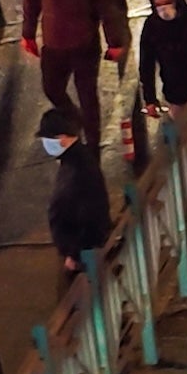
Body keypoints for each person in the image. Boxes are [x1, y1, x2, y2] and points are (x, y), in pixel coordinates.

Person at [22, 0, 119, 142]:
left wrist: (115, 41)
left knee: (88, 98)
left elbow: (107, 8)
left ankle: (93, 147)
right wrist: (28, 34)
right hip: (53, 47)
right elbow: (31, 3)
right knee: (51, 88)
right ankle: (78, 120)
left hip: (84, 46)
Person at [42, 107, 113, 272]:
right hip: (82, 250)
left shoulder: (77, 171)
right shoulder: (79, 158)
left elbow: (90, 215)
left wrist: (74, 254)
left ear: (62, 139)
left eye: (47, 139)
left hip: (85, 256)